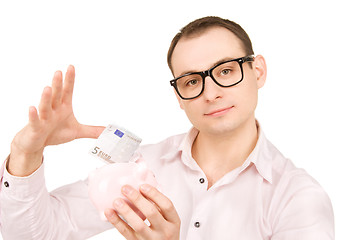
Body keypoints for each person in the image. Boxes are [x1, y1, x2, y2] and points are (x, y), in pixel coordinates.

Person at [0, 16, 334, 240]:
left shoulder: (299, 197)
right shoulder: (137, 168)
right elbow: (35, 233)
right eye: (192, 81)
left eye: (226, 71)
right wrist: (25, 154)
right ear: (179, 95)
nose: (211, 92)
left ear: (258, 70)